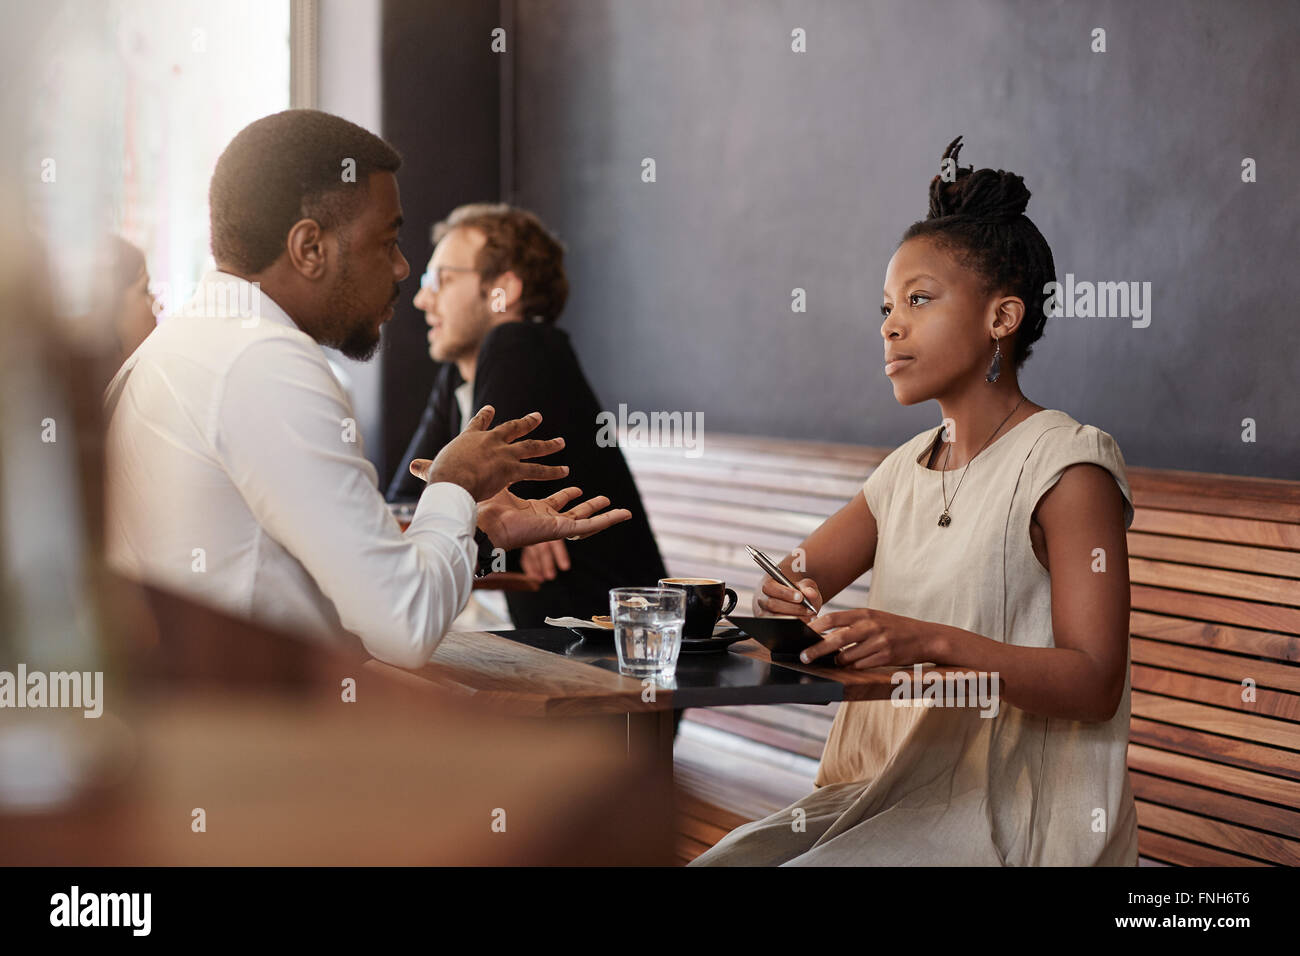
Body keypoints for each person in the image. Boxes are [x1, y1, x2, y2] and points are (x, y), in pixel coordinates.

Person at [691, 137, 1138, 866]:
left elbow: (1093, 682)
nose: (890, 325)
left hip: (1016, 811)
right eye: (888, 306)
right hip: (881, 793)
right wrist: (790, 594)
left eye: (919, 300)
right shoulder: (904, 470)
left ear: (1002, 318)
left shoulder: (1068, 466)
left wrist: (928, 641)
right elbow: (793, 579)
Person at [102, 110, 630, 669]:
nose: (403, 269)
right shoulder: (266, 362)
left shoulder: (175, 348)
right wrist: (455, 482)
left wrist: (473, 532)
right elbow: (404, 624)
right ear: (310, 248)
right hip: (271, 738)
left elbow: (345, 578)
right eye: (388, 242)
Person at [386, 203, 666, 627]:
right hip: (554, 636)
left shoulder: (522, 345)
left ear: (505, 290)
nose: (423, 298)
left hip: (605, 647)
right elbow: (406, 504)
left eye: (441, 279)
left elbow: (453, 506)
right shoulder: (458, 378)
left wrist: (486, 511)